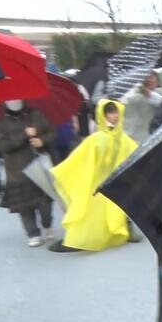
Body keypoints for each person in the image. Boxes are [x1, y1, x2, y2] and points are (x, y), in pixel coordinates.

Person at [49, 99, 138, 252]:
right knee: (91, 212)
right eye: (110, 112)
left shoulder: (122, 138)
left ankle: (114, 233)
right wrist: (61, 171)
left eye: (116, 112)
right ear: (103, 115)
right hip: (96, 184)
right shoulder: (96, 139)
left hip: (113, 183)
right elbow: (79, 158)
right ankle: (83, 239)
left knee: (112, 210)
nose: (115, 116)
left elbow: (134, 153)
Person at [0, 100, 55, 247]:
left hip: (39, 166)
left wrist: (42, 140)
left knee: (45, 201)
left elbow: (51, 133)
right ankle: (32, 233)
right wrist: (24, 135)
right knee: (24, 206)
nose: (14, 102)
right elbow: (2, 146)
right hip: (17, 171)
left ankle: (47, 224)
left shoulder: (36, 114)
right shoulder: (0, 123)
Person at [119, 72, 162, 145]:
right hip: (129, 136)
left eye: (151, 77)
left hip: (147, 138)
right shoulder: (133, 92)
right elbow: (123, 101)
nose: (148, 80)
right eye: (145, 77)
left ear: (157, 82)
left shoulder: (161, 93)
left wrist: (150, 95)